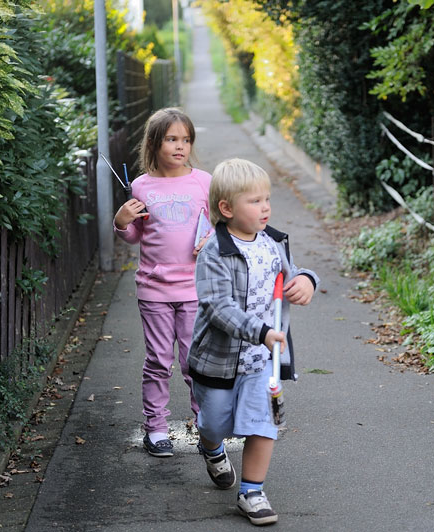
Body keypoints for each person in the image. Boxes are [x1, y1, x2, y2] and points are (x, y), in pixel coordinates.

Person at [187, 158, 318, 526]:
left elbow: (293, 274)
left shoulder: (273, 243)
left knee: (263, 422)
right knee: (215, 424)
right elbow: (218, 308)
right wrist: (261, 331)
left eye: (267, 199)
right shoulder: (215, 251)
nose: (265, 208)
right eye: (255, 201)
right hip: (218, 360)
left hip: (262, 360)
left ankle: (252, 492)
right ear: (227, 209)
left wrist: (307, 280)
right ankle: (211, 446)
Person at [113, 108, 211, 457]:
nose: (180, 146)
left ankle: (206, 426)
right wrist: (121, 221)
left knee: (195, 362)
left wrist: (212, 240)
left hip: (194, 289)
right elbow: (134, 235)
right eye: (171, 139)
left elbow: (220, 226)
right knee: (158, 360)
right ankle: (155, 428)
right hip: (154, 289)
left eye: (186, 140)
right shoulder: (141, 185)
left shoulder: (204, 182)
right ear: (154, 143)